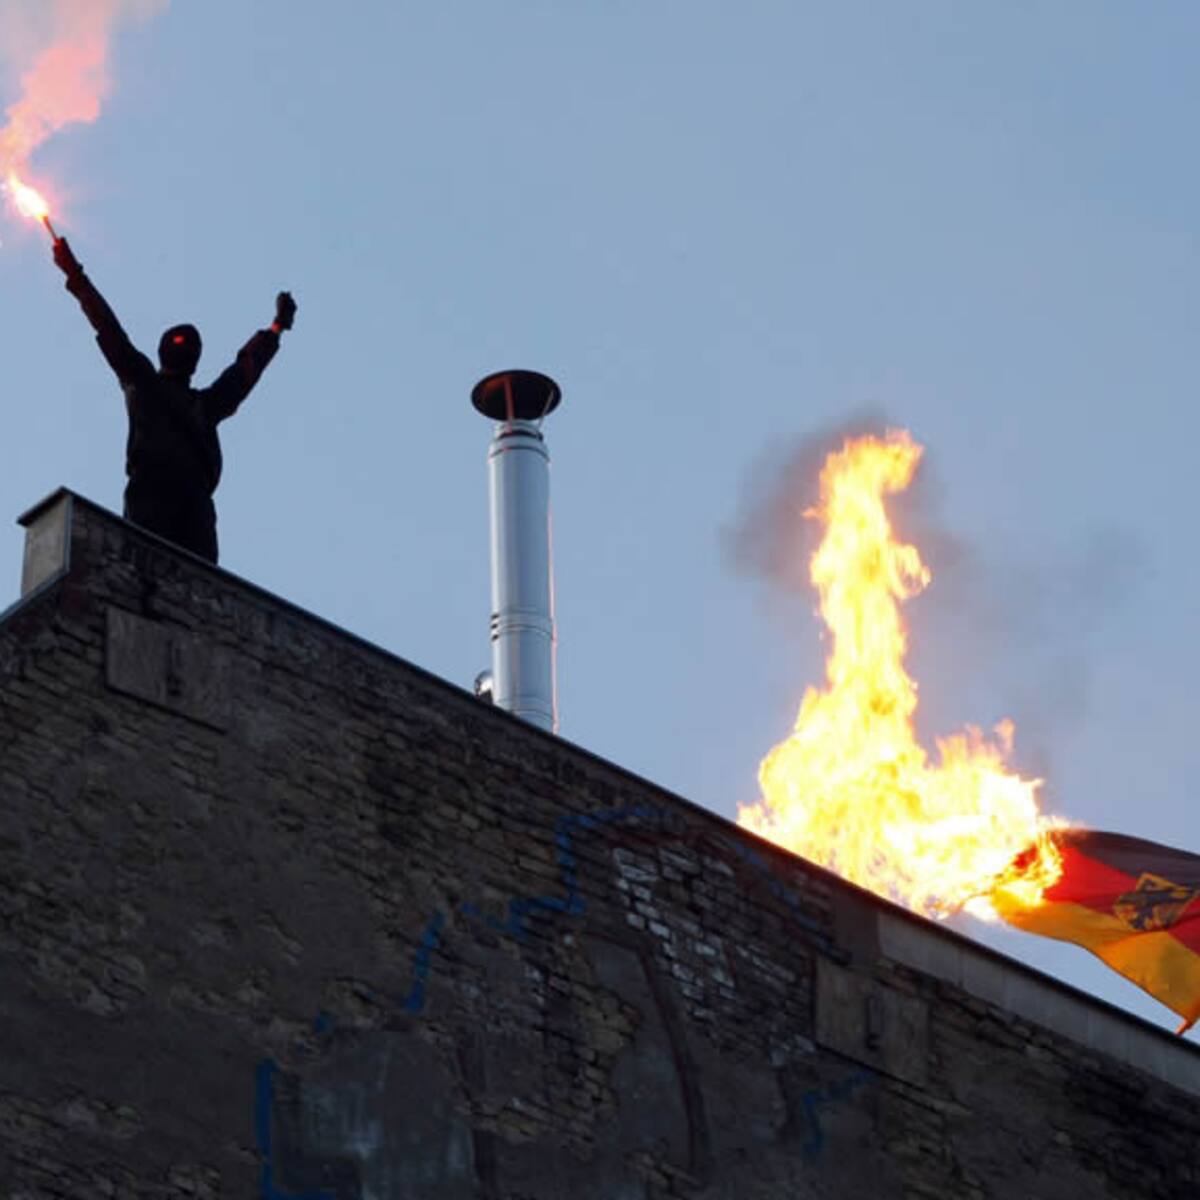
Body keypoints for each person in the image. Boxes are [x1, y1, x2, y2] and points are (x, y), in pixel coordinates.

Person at [52, 236, 296, 564]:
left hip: (183, 508)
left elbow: (244, 371)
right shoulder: (156, 388)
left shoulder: (188, 400)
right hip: (159, 502)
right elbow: (108, 327)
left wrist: (276, 328)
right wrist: (74, 275)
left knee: (192, 588)